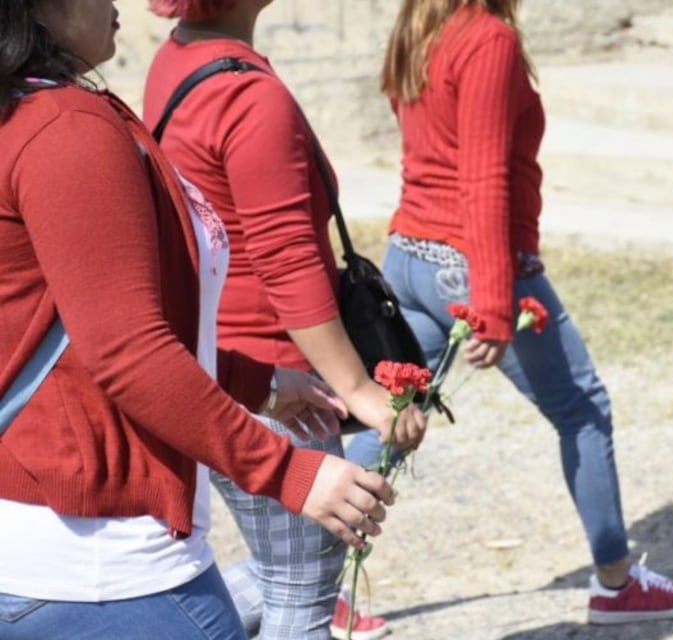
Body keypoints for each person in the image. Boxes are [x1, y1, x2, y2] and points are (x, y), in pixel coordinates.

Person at [0, 1, 396, 638]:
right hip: (103, 566)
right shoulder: (65, 129)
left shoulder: (42, 109)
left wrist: (255, 380)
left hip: (61, 546)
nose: (115, 2)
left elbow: (82, 315)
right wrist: (288, 472)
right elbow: (127, 351)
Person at [344, 0, 673, 625]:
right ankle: (619, 586)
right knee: (583, 409)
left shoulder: (418, 27)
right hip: (466, 263)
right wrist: (489, 302)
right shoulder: (487, 39)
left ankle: (311, 583)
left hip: (408, 252)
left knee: (393, 418)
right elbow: (483, 180)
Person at [142, 1, 426, 638]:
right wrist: (359, 391)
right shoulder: (247, 95)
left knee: (286, 573)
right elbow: (287, 257)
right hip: (274, 383)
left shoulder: (178, 56)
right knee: (301, 596)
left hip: (222, 364)